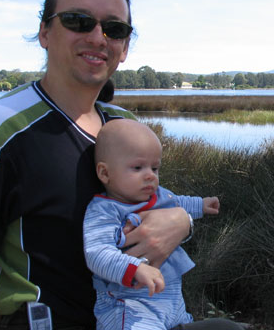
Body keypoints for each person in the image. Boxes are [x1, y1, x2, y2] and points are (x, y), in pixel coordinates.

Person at [0, 0, 192, 330]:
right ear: (44, 32)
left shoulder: (121, 125)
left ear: (125, 47)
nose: (98, 37)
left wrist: (183, 220)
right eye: (78, 20)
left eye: (114, 29)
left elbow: (152, 207)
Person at [84, 119, 221, 329]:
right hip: (130, 305)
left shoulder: (157, 195)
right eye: (138, 167)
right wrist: (134, 268)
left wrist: (200, 205)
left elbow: (178, 202)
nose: (150, 175)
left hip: (173, 300)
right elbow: (97, 253)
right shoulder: (105, 210)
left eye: (155, 168)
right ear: (105, 173)